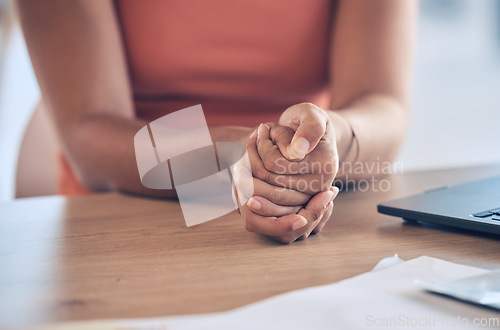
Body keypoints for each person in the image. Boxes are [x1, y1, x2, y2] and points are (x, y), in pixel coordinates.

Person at [17, 0, 416, 243]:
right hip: (132, 211)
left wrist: (326, 143)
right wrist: (237, 157)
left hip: (309, 203)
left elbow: (381, 107)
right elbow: (91, 134)